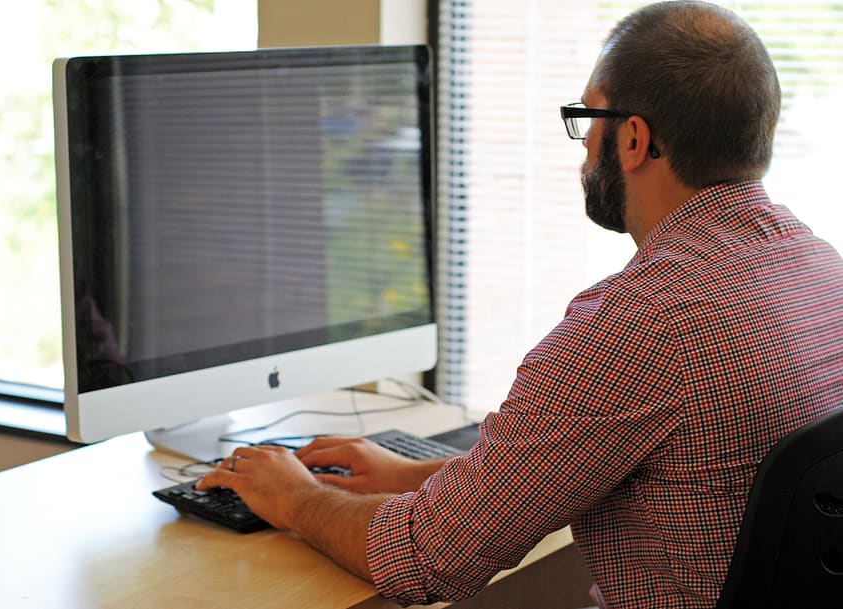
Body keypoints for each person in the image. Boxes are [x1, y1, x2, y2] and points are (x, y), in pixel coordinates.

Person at [198, 2, 843, 607]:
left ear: (634, 139)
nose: (584, 146)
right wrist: (416, 476)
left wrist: (293, 497)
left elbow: (425, 558)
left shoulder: (640, 319)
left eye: (590, 118)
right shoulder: (819, 268)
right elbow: (581, 459)